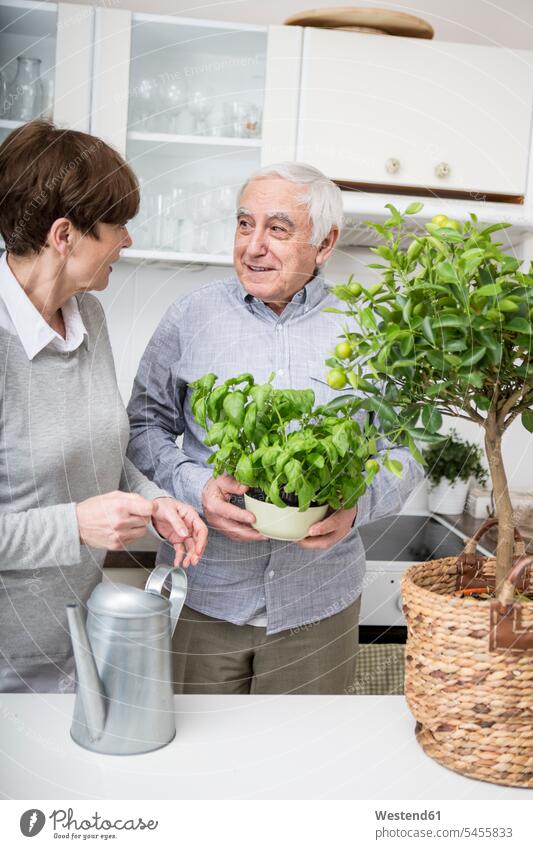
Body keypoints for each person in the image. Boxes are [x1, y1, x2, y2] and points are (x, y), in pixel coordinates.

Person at [127, 162, 423, 695]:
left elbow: (408, 443)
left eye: (278, 229)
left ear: (325, 244)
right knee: (195, 762)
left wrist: (359, 506)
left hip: (319, 605)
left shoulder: (370, 328)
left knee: (299, 770)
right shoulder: (189, 318)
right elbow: (142, 428)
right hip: (202, 594)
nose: (253, 246)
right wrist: (196, 488)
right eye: (245, 225)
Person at [0, 120, 208, 693]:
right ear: (64, 235)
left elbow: (103, 454)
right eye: (117, 225)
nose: (127, 240)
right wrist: (76, 525)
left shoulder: (85, 316)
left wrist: (155, 500)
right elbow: (74, 518)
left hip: (71, 646)